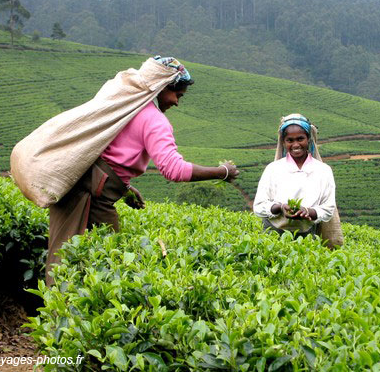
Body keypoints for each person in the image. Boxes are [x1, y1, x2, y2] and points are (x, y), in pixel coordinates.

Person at [45, 56, 239, 285]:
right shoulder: (153, 119)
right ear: (162, 86)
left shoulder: (127, 104)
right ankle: (60, 316)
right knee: (93, 260)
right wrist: (221, 172)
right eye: (177, 95)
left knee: (70, 252)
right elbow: (173, 169)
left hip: (81, 181)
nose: (177, 102)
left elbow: (113, 152)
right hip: (88, 193)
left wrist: (124, 188)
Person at [253, 113, 335, 237]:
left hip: (307, 235)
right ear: (284, 142)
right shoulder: (273, 169)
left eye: (300, 139)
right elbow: (259, 206)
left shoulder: (323, 171)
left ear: (308, 139)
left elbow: (328, 209)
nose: (295, 145)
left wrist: (307, 211)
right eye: (290, 140)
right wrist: (280, 208)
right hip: (273, 233)